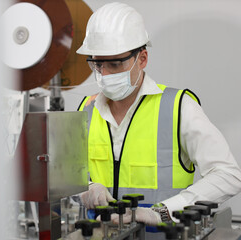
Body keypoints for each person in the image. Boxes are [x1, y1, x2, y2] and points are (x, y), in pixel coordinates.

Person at [76, 1, 241, 234]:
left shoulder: (178, 107)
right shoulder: (86, 109)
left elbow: (228, 175)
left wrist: (162, 211)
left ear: (142, 59)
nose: (104, 74)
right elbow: (64, 175)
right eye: (97, 64)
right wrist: (86, 187)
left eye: (114, 64)